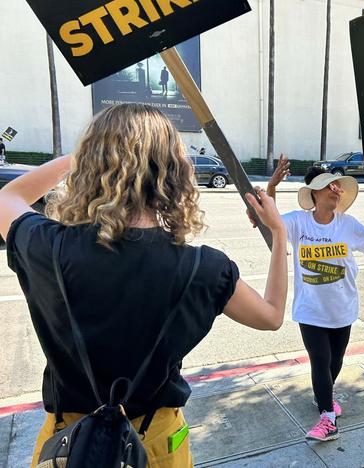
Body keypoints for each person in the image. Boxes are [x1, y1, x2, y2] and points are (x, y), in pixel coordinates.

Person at [0, 103, 288, 467]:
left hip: (67, 446)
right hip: (156, 443)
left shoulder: (50, 248)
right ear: (172, 172)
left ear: (92, 164)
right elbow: (272, 316)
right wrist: (278, 233)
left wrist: (83, 155)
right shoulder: (204, 267)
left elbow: (7, 198)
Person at [263, 156, 364, 442]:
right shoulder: (298, 223)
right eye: (329, 186)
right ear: (314, 194)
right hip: (310, 310)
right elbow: (270, 222)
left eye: (337, 186)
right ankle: (327, 417)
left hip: (343, 309)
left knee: (334, 362)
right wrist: (272, 187)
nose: (336, 190)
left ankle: (324, 397)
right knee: (320, 361)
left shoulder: (347, 224)